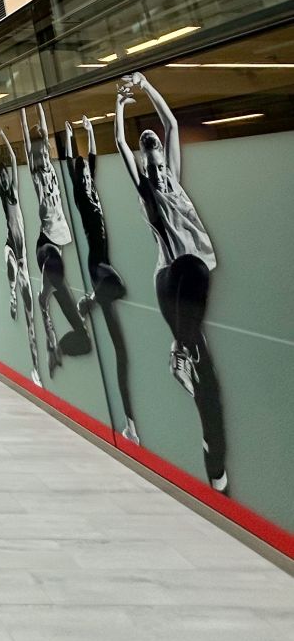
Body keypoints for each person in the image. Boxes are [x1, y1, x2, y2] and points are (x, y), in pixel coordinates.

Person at [115, 72, 227, 493]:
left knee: (207, 378)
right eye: (152, 168)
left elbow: (172, 124)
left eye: (160, 165)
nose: (159, 172)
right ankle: (180, 349)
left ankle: (216, 469)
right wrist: (120, 107)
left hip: (191, 275)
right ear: (145, 171)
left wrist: (146, 86)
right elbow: (122, 145)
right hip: (169, 278)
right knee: (192, 269)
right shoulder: (148, 192)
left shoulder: (174, 180)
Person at [64, 116, 139, 444]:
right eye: (82, 173)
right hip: (98, 266)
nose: (85, 175)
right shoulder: (81, 196)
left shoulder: (91, 187)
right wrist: (70, 137)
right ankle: (91, 299)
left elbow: (91, 159)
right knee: (119, 287)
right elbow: (73, 165)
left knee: (121, 350)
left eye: (86, 173)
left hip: (103, 263)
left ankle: (129, 423)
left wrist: (90, 131)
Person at [21, 104, 93, 376]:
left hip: (59, 244)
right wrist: (25, 110)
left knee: (56, 292)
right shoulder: (37, 174)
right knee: (60, 286)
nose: (41, 157)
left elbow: (44, 132)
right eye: (37, 154)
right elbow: (29, 140)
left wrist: (40, 105)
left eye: (44, 152)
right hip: (46, 245)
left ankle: (58, 343)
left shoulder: (50, 167)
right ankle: (67, 325)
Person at [0, 128, 41, 387]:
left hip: (23, 256)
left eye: (5, 175)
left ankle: (35, 366)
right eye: (1, 176)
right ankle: (11, 294)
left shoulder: (15, 192)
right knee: (8, 256)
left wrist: (4, 139)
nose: (4, 177)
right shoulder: (3, 196)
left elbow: (12, 159)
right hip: (11, 245)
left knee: (30, 314)